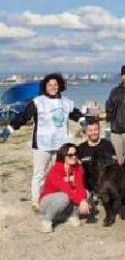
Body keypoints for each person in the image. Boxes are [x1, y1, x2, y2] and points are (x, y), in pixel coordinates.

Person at [0, 73, 86, 211]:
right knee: (39, 173)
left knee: (59, 173)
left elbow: (75, 113)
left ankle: (58, 198)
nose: (52, 87)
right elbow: (23, 117)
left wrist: (83, 121)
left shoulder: (66, 102)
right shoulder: (37, 101)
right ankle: (36, 201)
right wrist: (9, 129)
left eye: (55, 85)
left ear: (60, 86)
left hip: (60, 144)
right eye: (49, 85)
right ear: (45, 87)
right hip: (41, 144)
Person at [38, 143, 90, 233]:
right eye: (70, 155)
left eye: (76, 154)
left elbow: (80, 187)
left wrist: (83, 200)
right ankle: (47, 220)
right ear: (63, 155)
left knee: (86, 193)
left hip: (65, 199)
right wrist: (81, 201)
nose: (74, 157)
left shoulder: (77, 168)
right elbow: (66, 189)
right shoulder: (55, 170)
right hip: (48, 202)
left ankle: (73, 215)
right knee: (64, 197)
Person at [77, 118, 117, 222]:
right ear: (86, 132)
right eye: (90, 130)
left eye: (96, 129)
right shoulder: (81, 148)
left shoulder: (107, 145)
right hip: (88, 185)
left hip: (106, 183)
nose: (93, 132)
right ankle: (91, 197)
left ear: (99, 130)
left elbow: (114, 166)